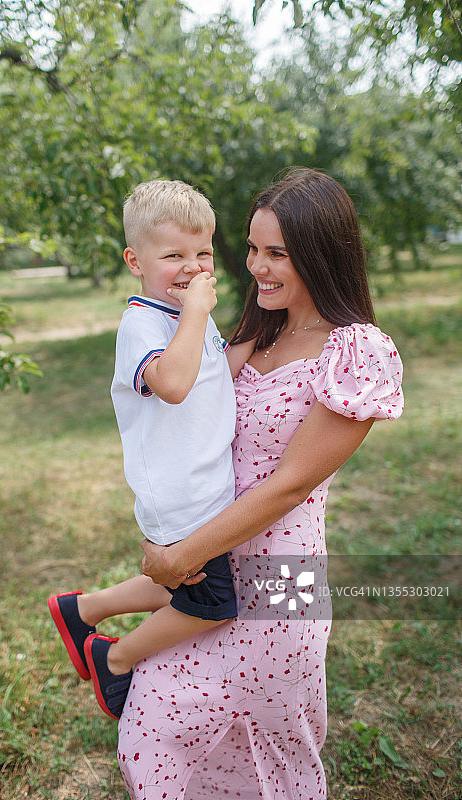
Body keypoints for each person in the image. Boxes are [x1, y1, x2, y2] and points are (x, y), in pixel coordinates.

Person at [118, 168, 404, 800]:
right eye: (252, 249)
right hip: (212, 563)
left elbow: (287, 487)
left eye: (278, 253)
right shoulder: (254, 331)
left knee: (265, 752)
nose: (257, 267)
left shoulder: (354, 350)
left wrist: (179, 557)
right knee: (156, 730)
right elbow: (178, 412)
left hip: (281, 581)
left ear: (321, 255)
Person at [48, 180, 241, 720]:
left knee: (186, 584)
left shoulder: (184, 317)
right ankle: (115, 658)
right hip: (181, 496)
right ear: (135, 260)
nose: (191, 266)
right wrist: (198, 311)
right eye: (173, 254)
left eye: (202, 253)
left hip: (206, 487)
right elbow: (175, 384)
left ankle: (82, 608)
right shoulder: (142, 323)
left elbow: (213, 372)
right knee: (214, 603)